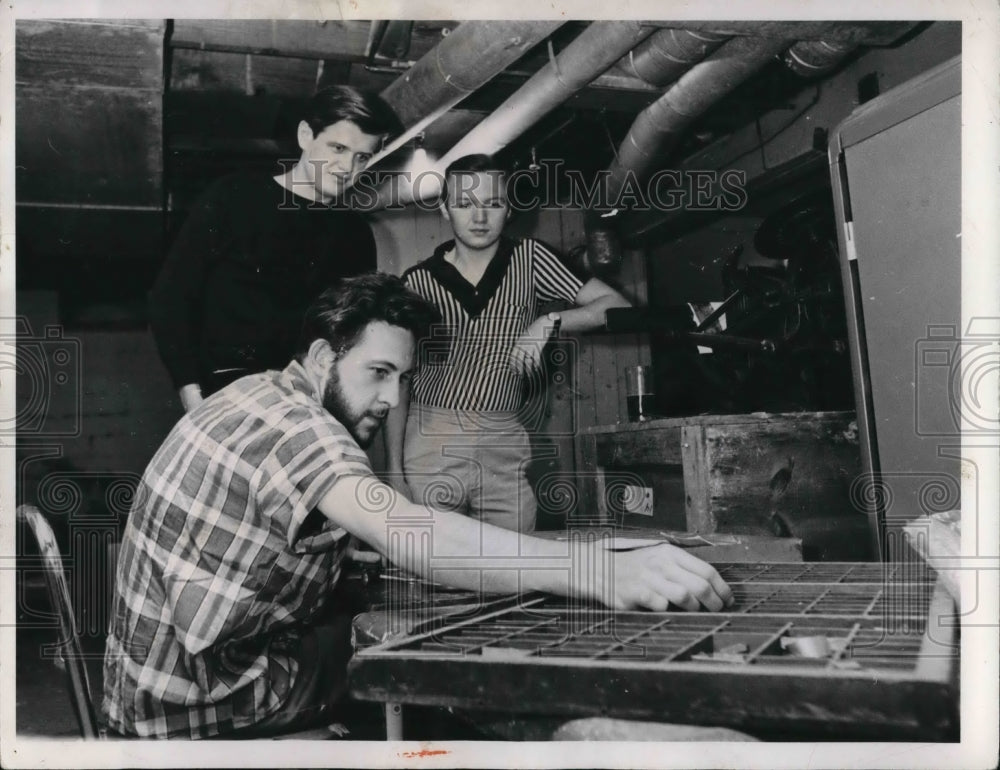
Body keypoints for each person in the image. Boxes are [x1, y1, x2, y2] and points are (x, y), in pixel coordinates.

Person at [102, 273, 733, 739]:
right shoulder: (299, 428)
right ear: (323, 357)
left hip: (156, 681)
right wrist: (600, 571)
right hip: (194, 706)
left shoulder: (255, 395)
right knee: (419, 669)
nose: (391, 397)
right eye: (378, 372)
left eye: (402, 378)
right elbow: (410, 533)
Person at [386, 154, 632, 533]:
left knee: (515, 566)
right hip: (431, 439)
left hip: (504, 438)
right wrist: (395, 473)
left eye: (493, 203)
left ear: (510, 207)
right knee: (433, 566)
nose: (480, 217)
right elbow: (398, 383)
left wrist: (548, 321)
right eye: (465, 204)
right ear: (444, 209)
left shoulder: (529, 258)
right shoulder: (416, 283)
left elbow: (617, 306)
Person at [149, 85, 403, 412]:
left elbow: (350, 335)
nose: (346, 167)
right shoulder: (232, 197)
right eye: (337, 148)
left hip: (308, 406)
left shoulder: (355, 234)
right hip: (223, 398)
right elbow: (170, 298)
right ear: (305, 135)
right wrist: (191, 393)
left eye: (361, 157)